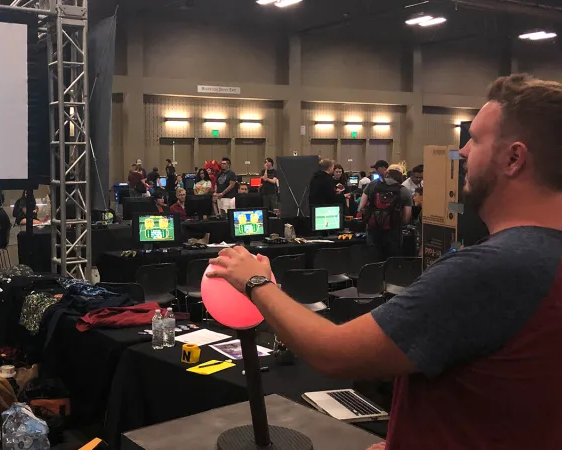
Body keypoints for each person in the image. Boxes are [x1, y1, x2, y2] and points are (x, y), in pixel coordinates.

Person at [205, 73, 562, 450]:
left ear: (513, 158)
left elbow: (333, 353)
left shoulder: (491, 270)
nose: (463, 151)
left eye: (475, 139)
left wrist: (256, 282)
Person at [358, 164, 413, 258]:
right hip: (393, 232)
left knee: (373, 258)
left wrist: (372, 217)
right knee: (392, 260)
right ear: (401, 176)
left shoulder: (372, 185)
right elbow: (406, 218)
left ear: (387, 173)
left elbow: (361, 207)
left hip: (373, 230)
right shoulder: (404, 191)